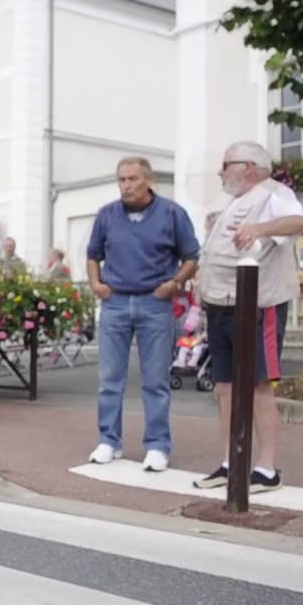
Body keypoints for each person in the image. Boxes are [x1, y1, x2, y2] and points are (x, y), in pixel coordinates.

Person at [192, 141, 303, 493]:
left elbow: (298, 221)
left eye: (227, 164)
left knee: (259, 384)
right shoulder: (234, 203)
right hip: (222, 304)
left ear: (250, 166)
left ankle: (266, 469)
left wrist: (260, 229)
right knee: (224, 386)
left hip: (260, 303)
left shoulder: (274, 193)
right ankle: (231, 462)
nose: (221, 171)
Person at [86, 155, 200, 472]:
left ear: (148, 181)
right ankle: (109, 441)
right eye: (122, 179)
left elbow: (191, 256)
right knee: (109, 379)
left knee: (156, 380)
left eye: (133, 179)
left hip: (155, 303)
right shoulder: (107, 215)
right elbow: (93, 254)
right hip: (116, 302)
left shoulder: (172, 214)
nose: (126, 185)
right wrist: (95, 283)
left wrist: (175, 283)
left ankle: (157, 445)